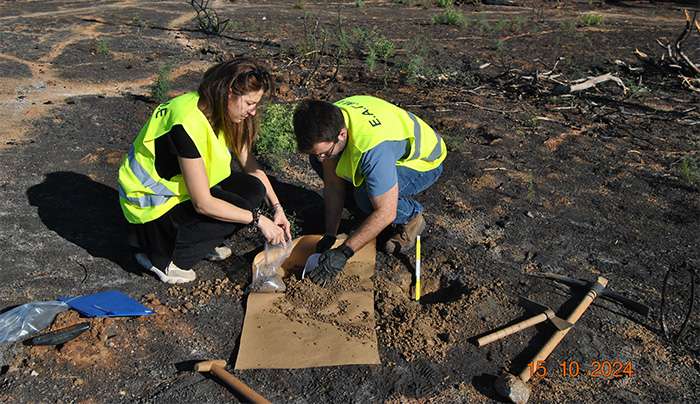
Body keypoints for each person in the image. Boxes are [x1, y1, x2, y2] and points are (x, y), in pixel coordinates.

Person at [118, 58, 290, 284]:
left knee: (252, 189)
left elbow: (252, 169)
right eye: (249, 103)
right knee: (240, 210)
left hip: (179, 195)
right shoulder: (185, 123)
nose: (252, 111)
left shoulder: (221, 112)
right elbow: (203, 204)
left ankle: (200, 241)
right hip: (150, 209)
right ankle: (162, 258)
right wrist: (258, 220)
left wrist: (277, 209)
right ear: (229, 92)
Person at [293, 95, 446, 285]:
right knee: (322, 162)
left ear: (341, 134)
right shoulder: (328, 118)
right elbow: (333, 185)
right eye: (319, 153)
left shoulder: (372, 150)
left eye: (325, 152)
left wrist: (344, 252)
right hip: (385, 147)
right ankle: (367, 213)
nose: (322, 158)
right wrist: (330, 234)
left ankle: (412, 215)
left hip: (424, 162)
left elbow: (386, 211)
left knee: (365, 197)